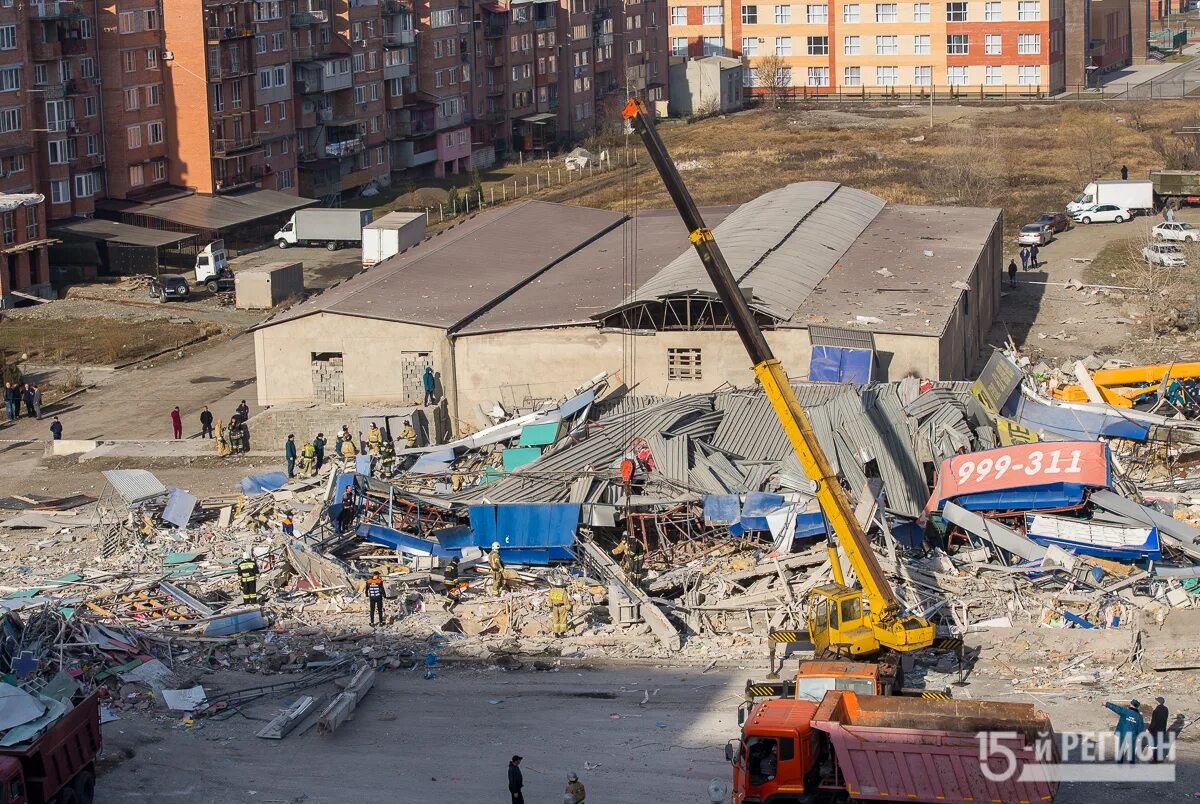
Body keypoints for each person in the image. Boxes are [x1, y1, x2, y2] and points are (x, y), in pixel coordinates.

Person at [1105, 699, 1144, 763]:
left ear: (1131, 704)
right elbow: (1140, 727)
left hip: (1122, 733)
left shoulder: (1125, 711)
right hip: (1132, 735)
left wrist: (1107, 704)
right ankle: (1132, 763)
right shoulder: (1139, 717)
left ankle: (1120, 763)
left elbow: (1116, 708)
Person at [1150, 696, 1169, 763]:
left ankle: (1155, 759)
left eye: (1156, 701)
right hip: (1162, 730)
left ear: (1158, 702)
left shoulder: (1156, 711)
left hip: (1155, 731)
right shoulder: (1166, 709)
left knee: (1155, 746)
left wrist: (1149, 729)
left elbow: (1153, 722)